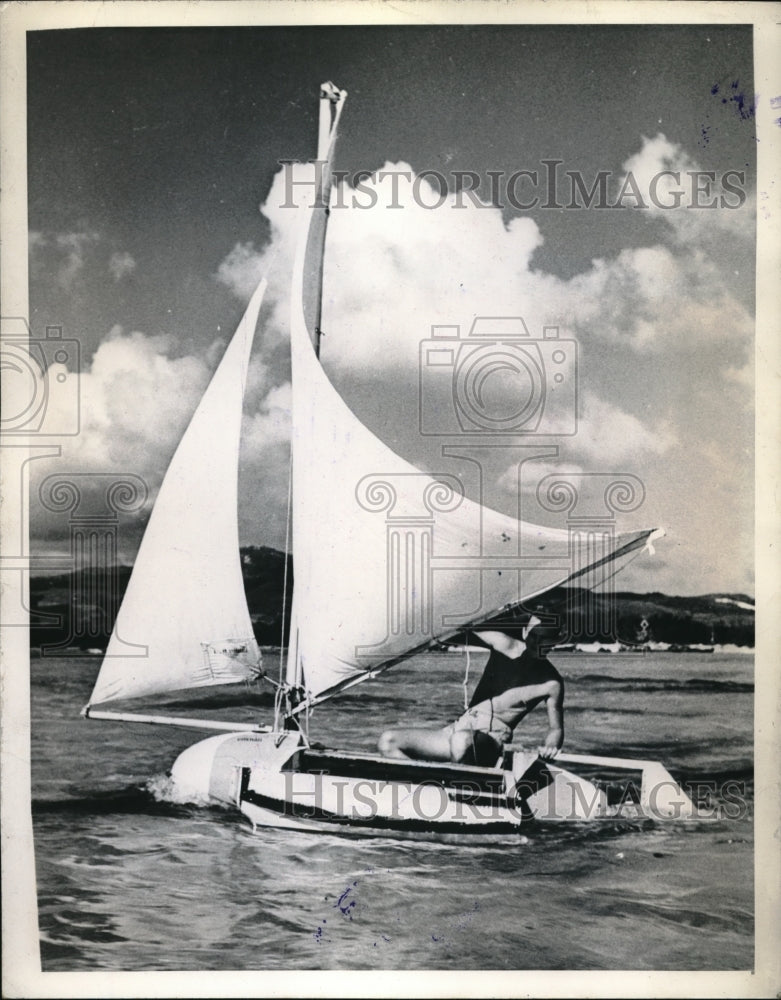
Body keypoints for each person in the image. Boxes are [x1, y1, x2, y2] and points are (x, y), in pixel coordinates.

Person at [377, 617, 564, 767]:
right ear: (525, 632)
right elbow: (459, 632)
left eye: (544, 638)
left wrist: (550, 747)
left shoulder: (551, 682)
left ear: (555, 641)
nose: (536, 643)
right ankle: (426, 789)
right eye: (533, 636)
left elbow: (555, 729)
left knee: (462, 741)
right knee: (389, 741)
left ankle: (457, 792)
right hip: (457, 730)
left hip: (490, 742)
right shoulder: (504, 645)